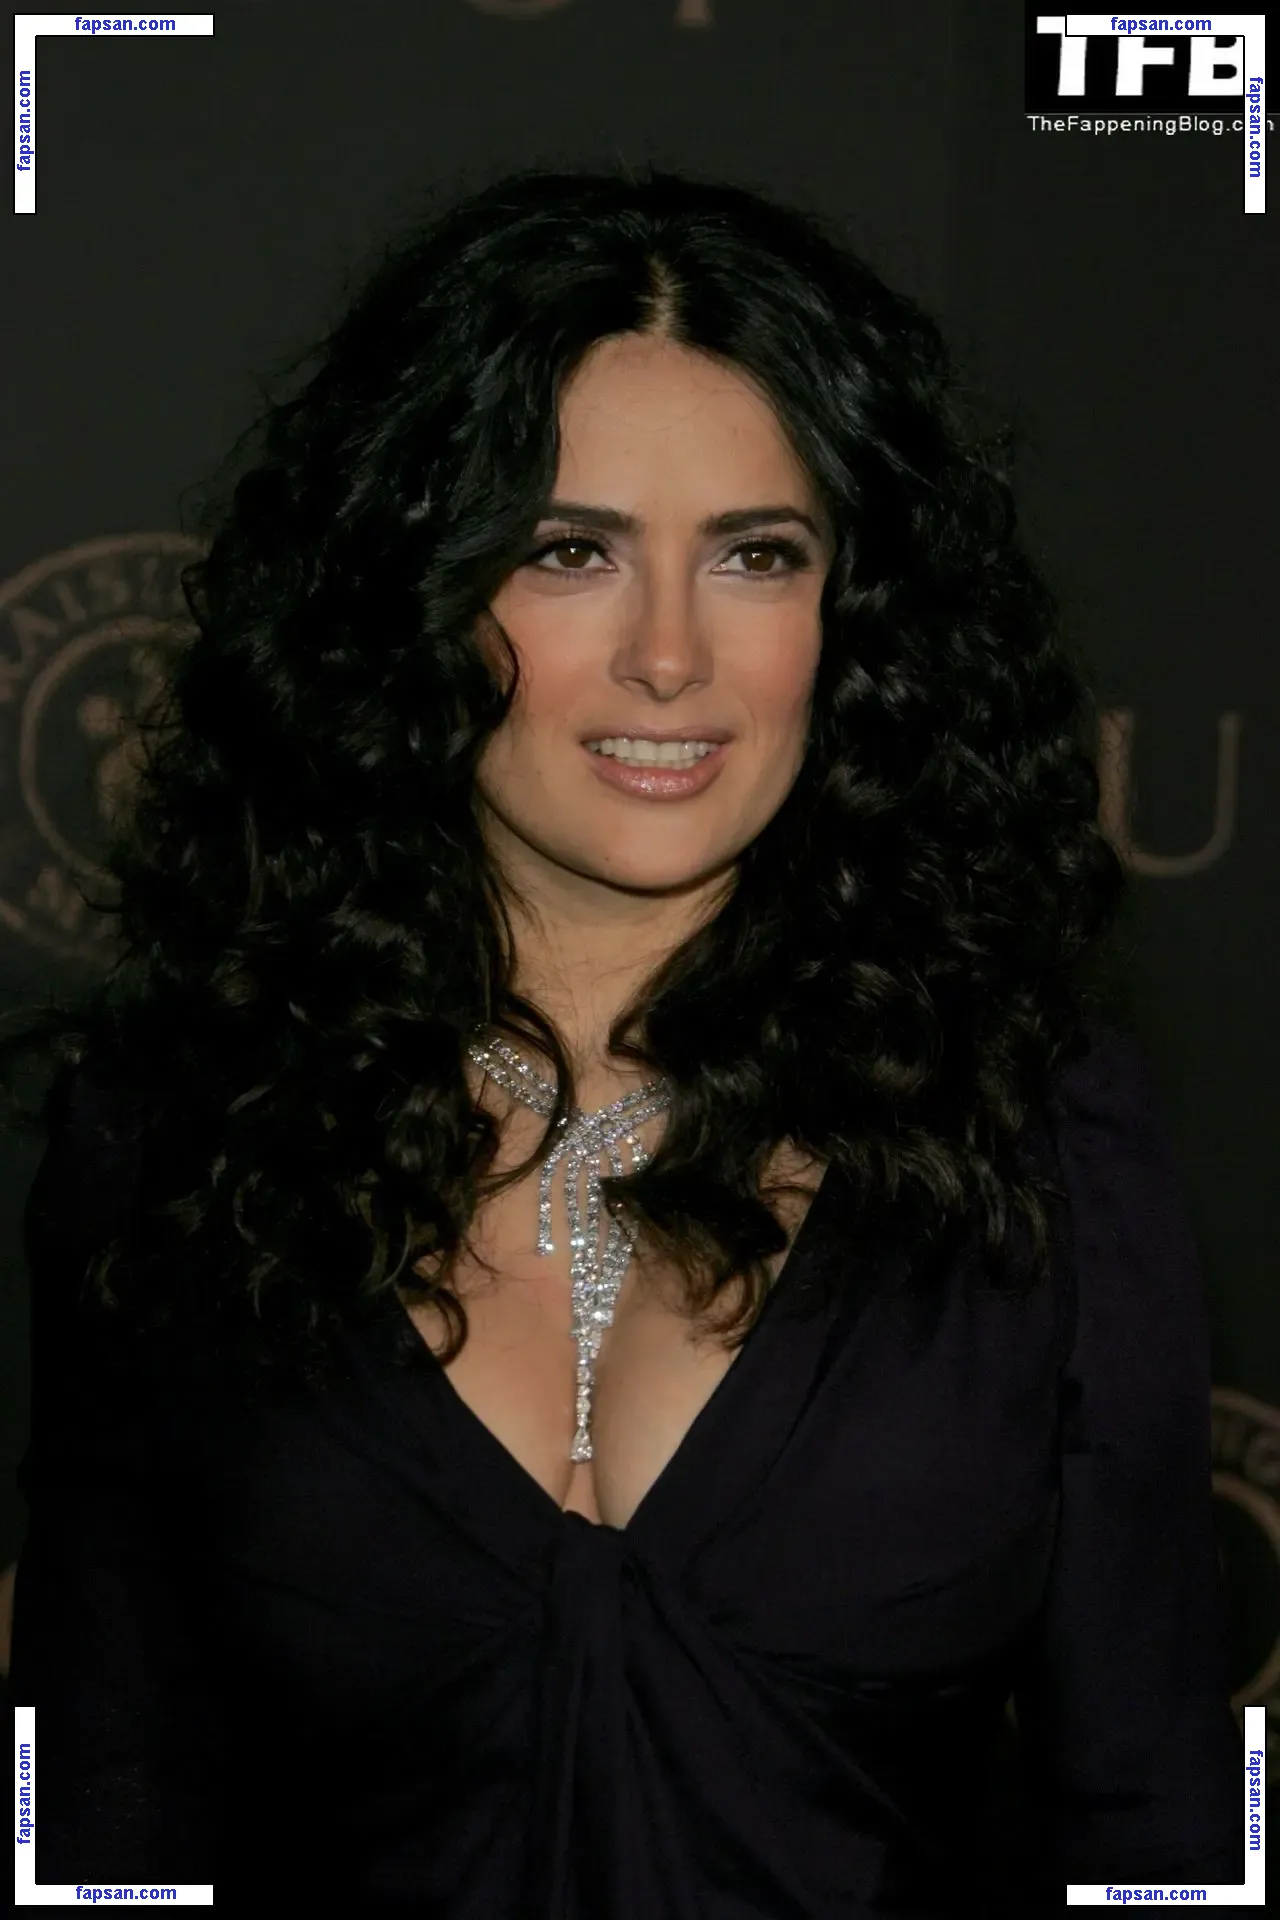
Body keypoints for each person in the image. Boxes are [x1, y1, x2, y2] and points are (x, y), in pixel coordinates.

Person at [5, 163, 1243, 1915]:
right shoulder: (180, 1136)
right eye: (569, 551)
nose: (671, 656)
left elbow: (1159, 1818)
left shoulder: (1038, 1135)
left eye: (757, 554)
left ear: (850, 617)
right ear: (416, 593)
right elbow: (96, 1820)